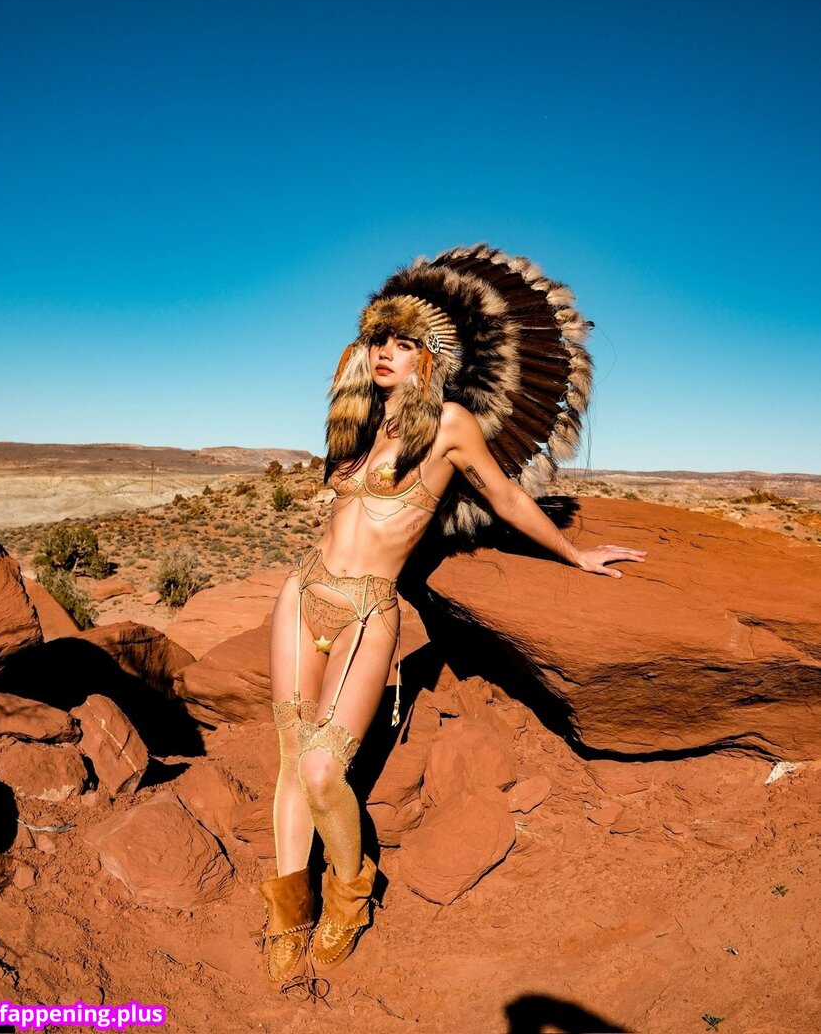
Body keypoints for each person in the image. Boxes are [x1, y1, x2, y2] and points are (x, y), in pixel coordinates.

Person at [255, 246, 647, 997]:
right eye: (378, 338)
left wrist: (574, 552)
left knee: (323, 770)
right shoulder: (361, 419)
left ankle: (349, 895)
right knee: (289, 758)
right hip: (302, 595)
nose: (385, 352)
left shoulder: (451, 425)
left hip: (369, 607)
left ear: (432, 357)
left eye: (404, 342)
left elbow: (505, 497)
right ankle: (286, 913)